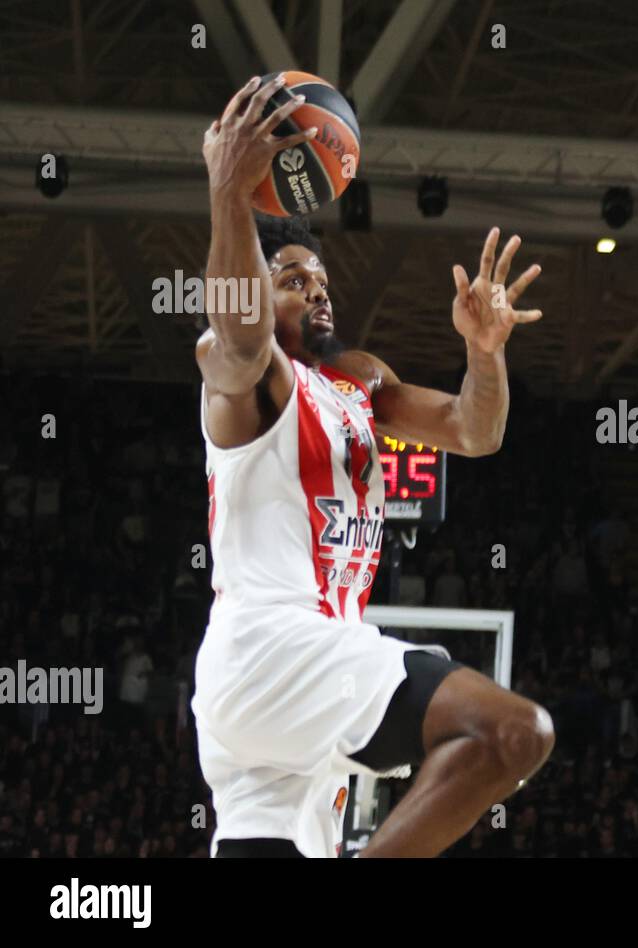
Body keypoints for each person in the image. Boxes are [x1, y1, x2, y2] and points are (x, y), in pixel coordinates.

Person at [192, 73, 554, 858]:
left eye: (320, 282)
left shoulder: (358, 380)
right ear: (256, 288)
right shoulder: (241, 376)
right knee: (514, 731)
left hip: (289, 698)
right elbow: (246, 336)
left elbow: (474, 430)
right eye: (291, 282)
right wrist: (227, 192)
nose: (316, 295)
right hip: (275, 647)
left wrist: (482, 353)